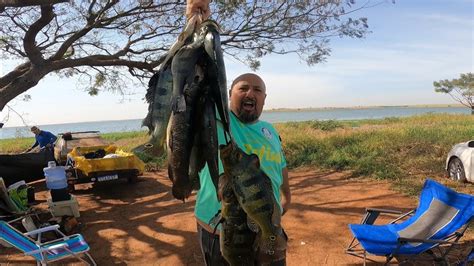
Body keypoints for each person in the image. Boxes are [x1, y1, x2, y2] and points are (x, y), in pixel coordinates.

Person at [195, 73, 291, 266]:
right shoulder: (215, 120)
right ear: (229, 94)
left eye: (258, 90)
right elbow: (195, 95)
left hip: (268, 229)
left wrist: (286, 197)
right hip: (224, 232)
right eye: (243, 88)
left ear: (264, 98)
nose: (250, 93)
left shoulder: (270, 131)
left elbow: (279, 166)